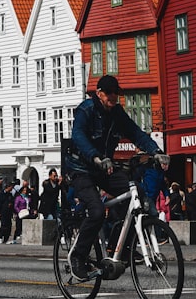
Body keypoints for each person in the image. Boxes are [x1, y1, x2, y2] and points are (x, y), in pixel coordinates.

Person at [65, 75, 167, 279]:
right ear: (100, 93)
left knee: (136, 193)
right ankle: (78, 256)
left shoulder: (117, 113)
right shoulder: (86, 109)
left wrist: (155, 151)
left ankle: (118, 247)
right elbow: (78, 136)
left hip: (105, 168)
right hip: (81, 169)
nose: (113, 97)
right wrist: (95, 156)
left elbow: (135, 133)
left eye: (116, 94)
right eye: (109, 93)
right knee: (96, 210)